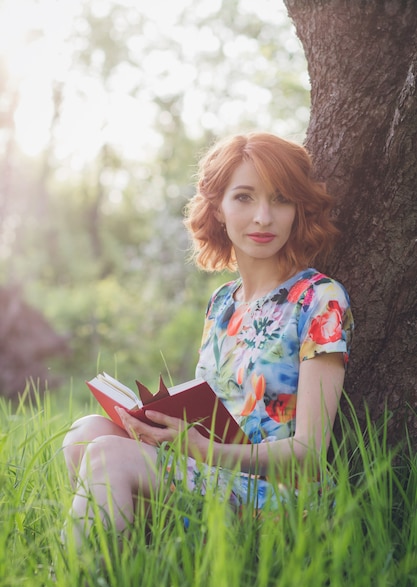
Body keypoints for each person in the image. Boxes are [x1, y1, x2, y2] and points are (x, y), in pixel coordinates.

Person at [62, 132, 354, 545]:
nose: (263, 217)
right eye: (244, 198)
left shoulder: (319, 299)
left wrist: (199, 450)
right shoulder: (222, 303)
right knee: (85, 434)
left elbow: (308, 454)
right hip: (209, 473)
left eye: (281, 199)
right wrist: (156, 427)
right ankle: (141, 560)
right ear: (218, 208)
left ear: (298, 209)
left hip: (280, 498)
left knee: (109, 454)